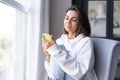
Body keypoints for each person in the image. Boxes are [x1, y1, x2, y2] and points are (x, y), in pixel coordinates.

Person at [42, 5, 98, 80]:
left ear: (80, 23)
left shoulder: (86, 42)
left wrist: (55, 51)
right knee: (59, 48)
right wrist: (48, 55)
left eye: (74, 20)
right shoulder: (60, 41)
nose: (68, 22)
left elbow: (79, 73)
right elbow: (53, 75)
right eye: (66, 18)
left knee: (60, 49)